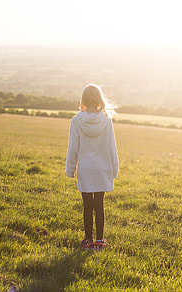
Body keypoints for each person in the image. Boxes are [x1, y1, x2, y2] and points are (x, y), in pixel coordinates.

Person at [66, 84, 119, 250]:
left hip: (86, 169)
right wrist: (114, 169)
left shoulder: (76, 120)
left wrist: (70, 169)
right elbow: (112, 147)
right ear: (99, 100)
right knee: (100, 205)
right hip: (102, 169)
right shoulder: (106, 121)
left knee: (87, 206)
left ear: (83, 100)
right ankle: (100, 240)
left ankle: (88, 239)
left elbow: (73, 147)